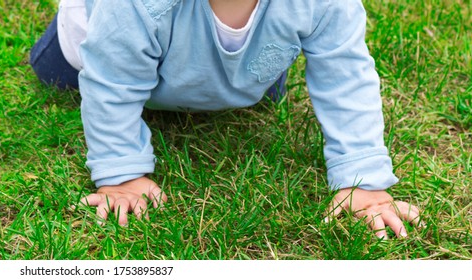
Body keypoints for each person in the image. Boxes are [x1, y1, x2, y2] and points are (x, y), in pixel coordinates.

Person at [29, 0, 421, 238]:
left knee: (258, 81)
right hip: (103, 39)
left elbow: (345, 77)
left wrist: (363, 182)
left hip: (239, 66)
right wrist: (122, 175)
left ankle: (229, 71)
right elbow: (110, 79)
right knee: (59, 71)